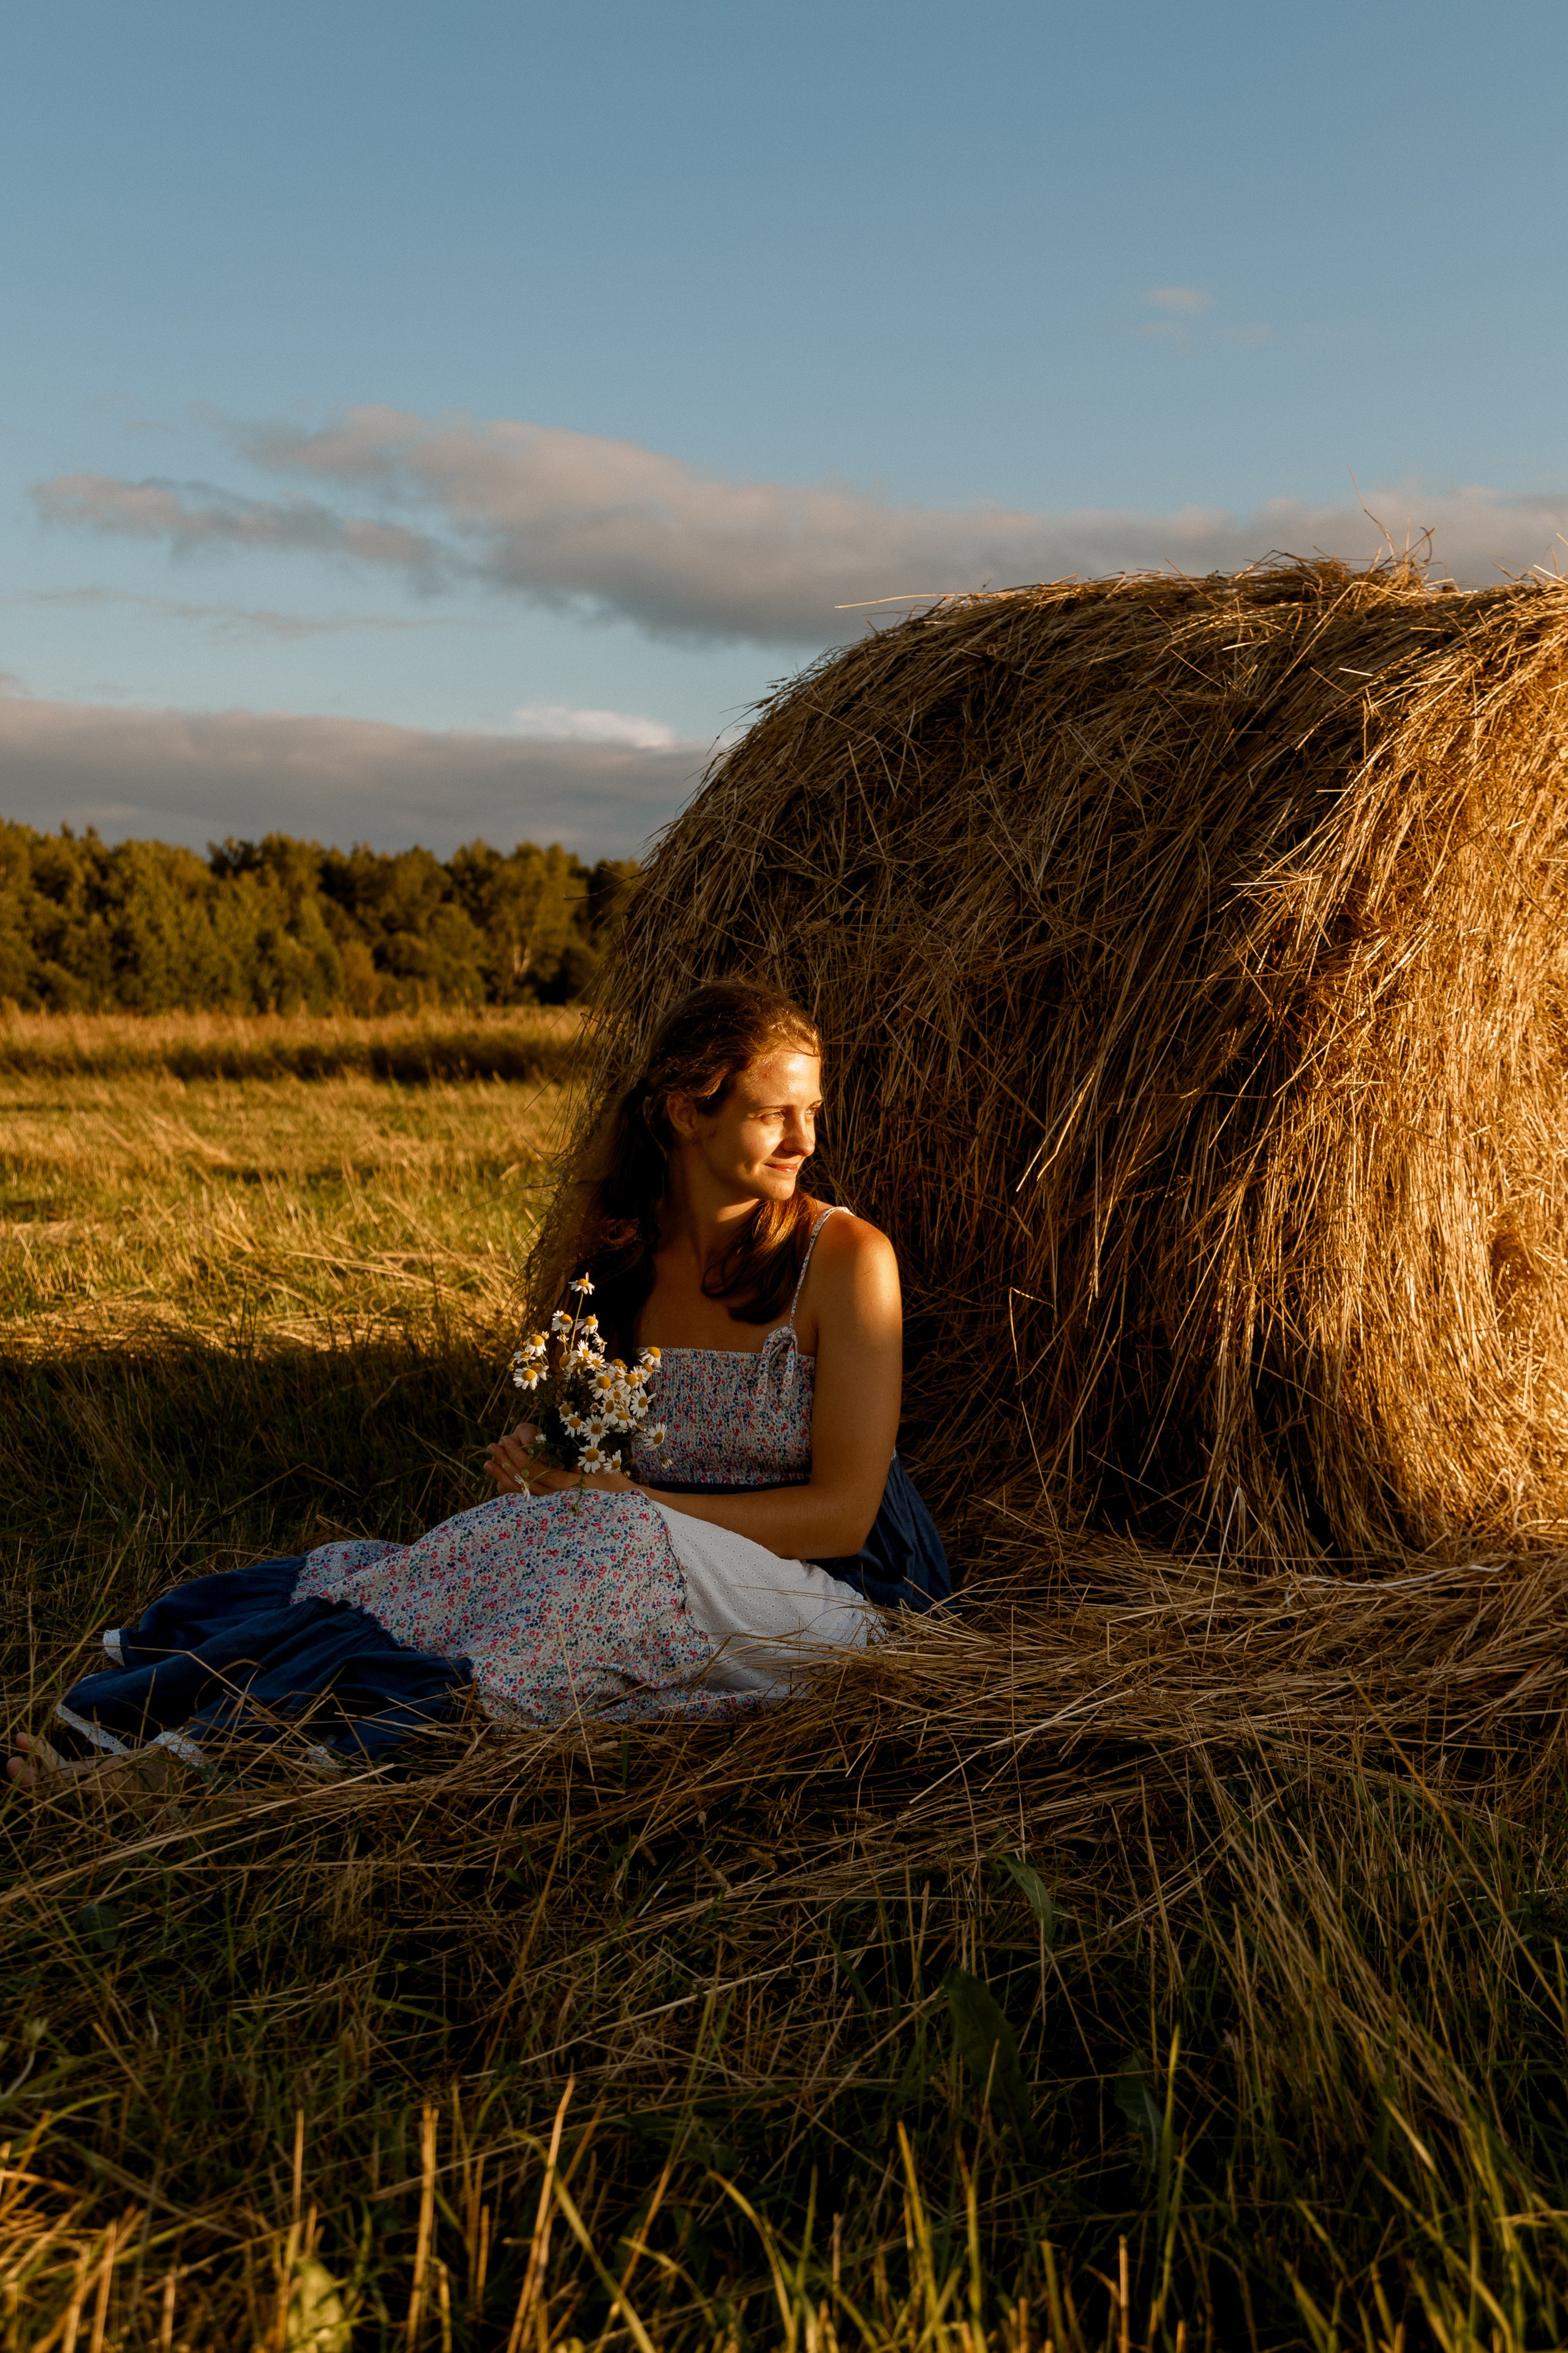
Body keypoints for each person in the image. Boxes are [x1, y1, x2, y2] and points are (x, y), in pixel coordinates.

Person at [7, 981, 949, 1792]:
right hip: (659, 1556)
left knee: (601, 1551)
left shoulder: (847, 1259)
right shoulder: (623, 1266)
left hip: (842, 1596)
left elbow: (841, 1516)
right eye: (772, 1111)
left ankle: (213, 1772)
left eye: (812, 1110)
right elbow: (607, 1468)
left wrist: (629, 1502)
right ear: (685, 1112)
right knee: (449, 1560)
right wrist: (553, 1471)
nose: (804, 1139)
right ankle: (162, 1720)